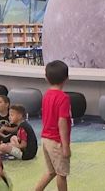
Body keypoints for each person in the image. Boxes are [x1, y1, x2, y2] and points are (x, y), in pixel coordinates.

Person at [36, 60, 71, 191]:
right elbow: (62, 122)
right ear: (66, 78)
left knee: (51, 172)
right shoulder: (63, 98)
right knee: (62, 174)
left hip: (45, 139)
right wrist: (65, 146)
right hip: (56, 141)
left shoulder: (46, 95)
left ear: (46, 78)